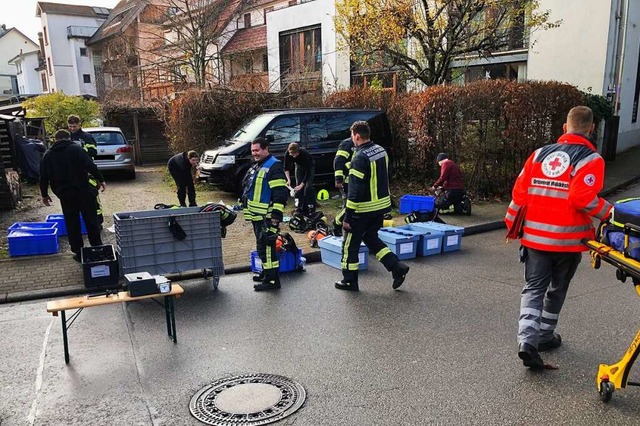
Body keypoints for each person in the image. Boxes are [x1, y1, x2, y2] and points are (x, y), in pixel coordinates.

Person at [505, 106, 612, 369]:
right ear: (591, 129)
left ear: (565, 128)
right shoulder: (591, 159)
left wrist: (513, 226)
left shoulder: (539, 154)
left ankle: (526, 340)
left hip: (535, 239)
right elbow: (582, 197)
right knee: (556, 289)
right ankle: (544, 336)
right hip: (568, 242)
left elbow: (520, 194)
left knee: (533, 289)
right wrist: (610, 213)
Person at [336, 121, 410, 292]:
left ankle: (349, 281)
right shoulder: (380, 150)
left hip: (362, 209)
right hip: (380, 206)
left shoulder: (359, 157)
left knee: (349, 245)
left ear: (356, 136)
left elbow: (355, 191)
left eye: (352, 137)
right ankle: (396, 266)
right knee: (371, 238)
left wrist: (348, 216)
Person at [40, 130, 106, 262]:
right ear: (69, 138)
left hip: (65, 194)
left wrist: (44, 194)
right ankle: (97, 246)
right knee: (91, 220)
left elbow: (43, 176)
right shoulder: (77, 149)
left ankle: (78, 251)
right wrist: (101, 179)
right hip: (83, 191)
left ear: (55, 139)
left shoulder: (48, 155)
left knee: (72, 222)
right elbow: (90, 166)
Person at [242, 137, 288, 291]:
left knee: (268, 249)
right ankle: (266, 274)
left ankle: (272, 280)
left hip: (267, 218)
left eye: (257, 150)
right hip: (258, 217)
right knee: (261, 247)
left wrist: (275, 219)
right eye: (252, 151)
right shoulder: (258, 165)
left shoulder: (274, 166)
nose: (254, 153)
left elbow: (280, 194)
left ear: (266, 148)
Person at [68, 114, 102, 224]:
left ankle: (98, 221)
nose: (72, 129)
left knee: (92, 196)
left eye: (75, 126)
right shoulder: (67, 137)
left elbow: (93, 152)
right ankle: (82, 223)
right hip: (72, 171)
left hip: (86, 170)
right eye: (70, 126)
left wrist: (80, 150)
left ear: (79, 124)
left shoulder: (87, 136)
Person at [284, 143, 315, 216]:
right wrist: (288, 179)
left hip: (309, 167)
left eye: (295, 154)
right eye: (292, 154)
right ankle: (299, 207)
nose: (293, 156)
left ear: (298, 151)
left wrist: (302, 185)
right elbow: (286, 168)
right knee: (298, 188)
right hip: (298, 166)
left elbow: (308, 173)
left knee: (308, 187)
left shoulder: (304, 154)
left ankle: (311, 206)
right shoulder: (288, 154)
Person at [332, 136, 355, 236]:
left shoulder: (363, 144)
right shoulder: (347, 144)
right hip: (347, 181)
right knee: (349, 207)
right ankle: (337, 223)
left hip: (358, 182)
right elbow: (338, 161)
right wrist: (339, 179)